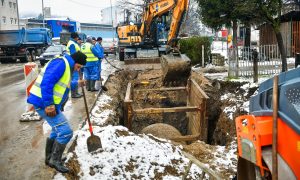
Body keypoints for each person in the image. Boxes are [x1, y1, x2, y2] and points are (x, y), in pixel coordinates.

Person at [27, 51, 87, 173]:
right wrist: (49, 105)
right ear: (75, 62)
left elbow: (63, 85)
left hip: (47, 103)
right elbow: (47, 83)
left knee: (56, 130)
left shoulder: (66, 66)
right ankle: (55, 160)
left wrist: (77, 83)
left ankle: (49, 158)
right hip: (43, 103)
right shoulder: (61, 63)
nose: (78, 70)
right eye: (78, 66)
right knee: (66, 132)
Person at [66, 32, 83, 98]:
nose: (77, 39)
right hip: (73, 63)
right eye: (77, 37)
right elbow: (74, 55)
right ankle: (74, 94)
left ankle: (75, 93)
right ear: (75, 37)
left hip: (72, 63)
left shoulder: (71, 43)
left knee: (74, 78)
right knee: (74, 79)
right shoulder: (72, 44)